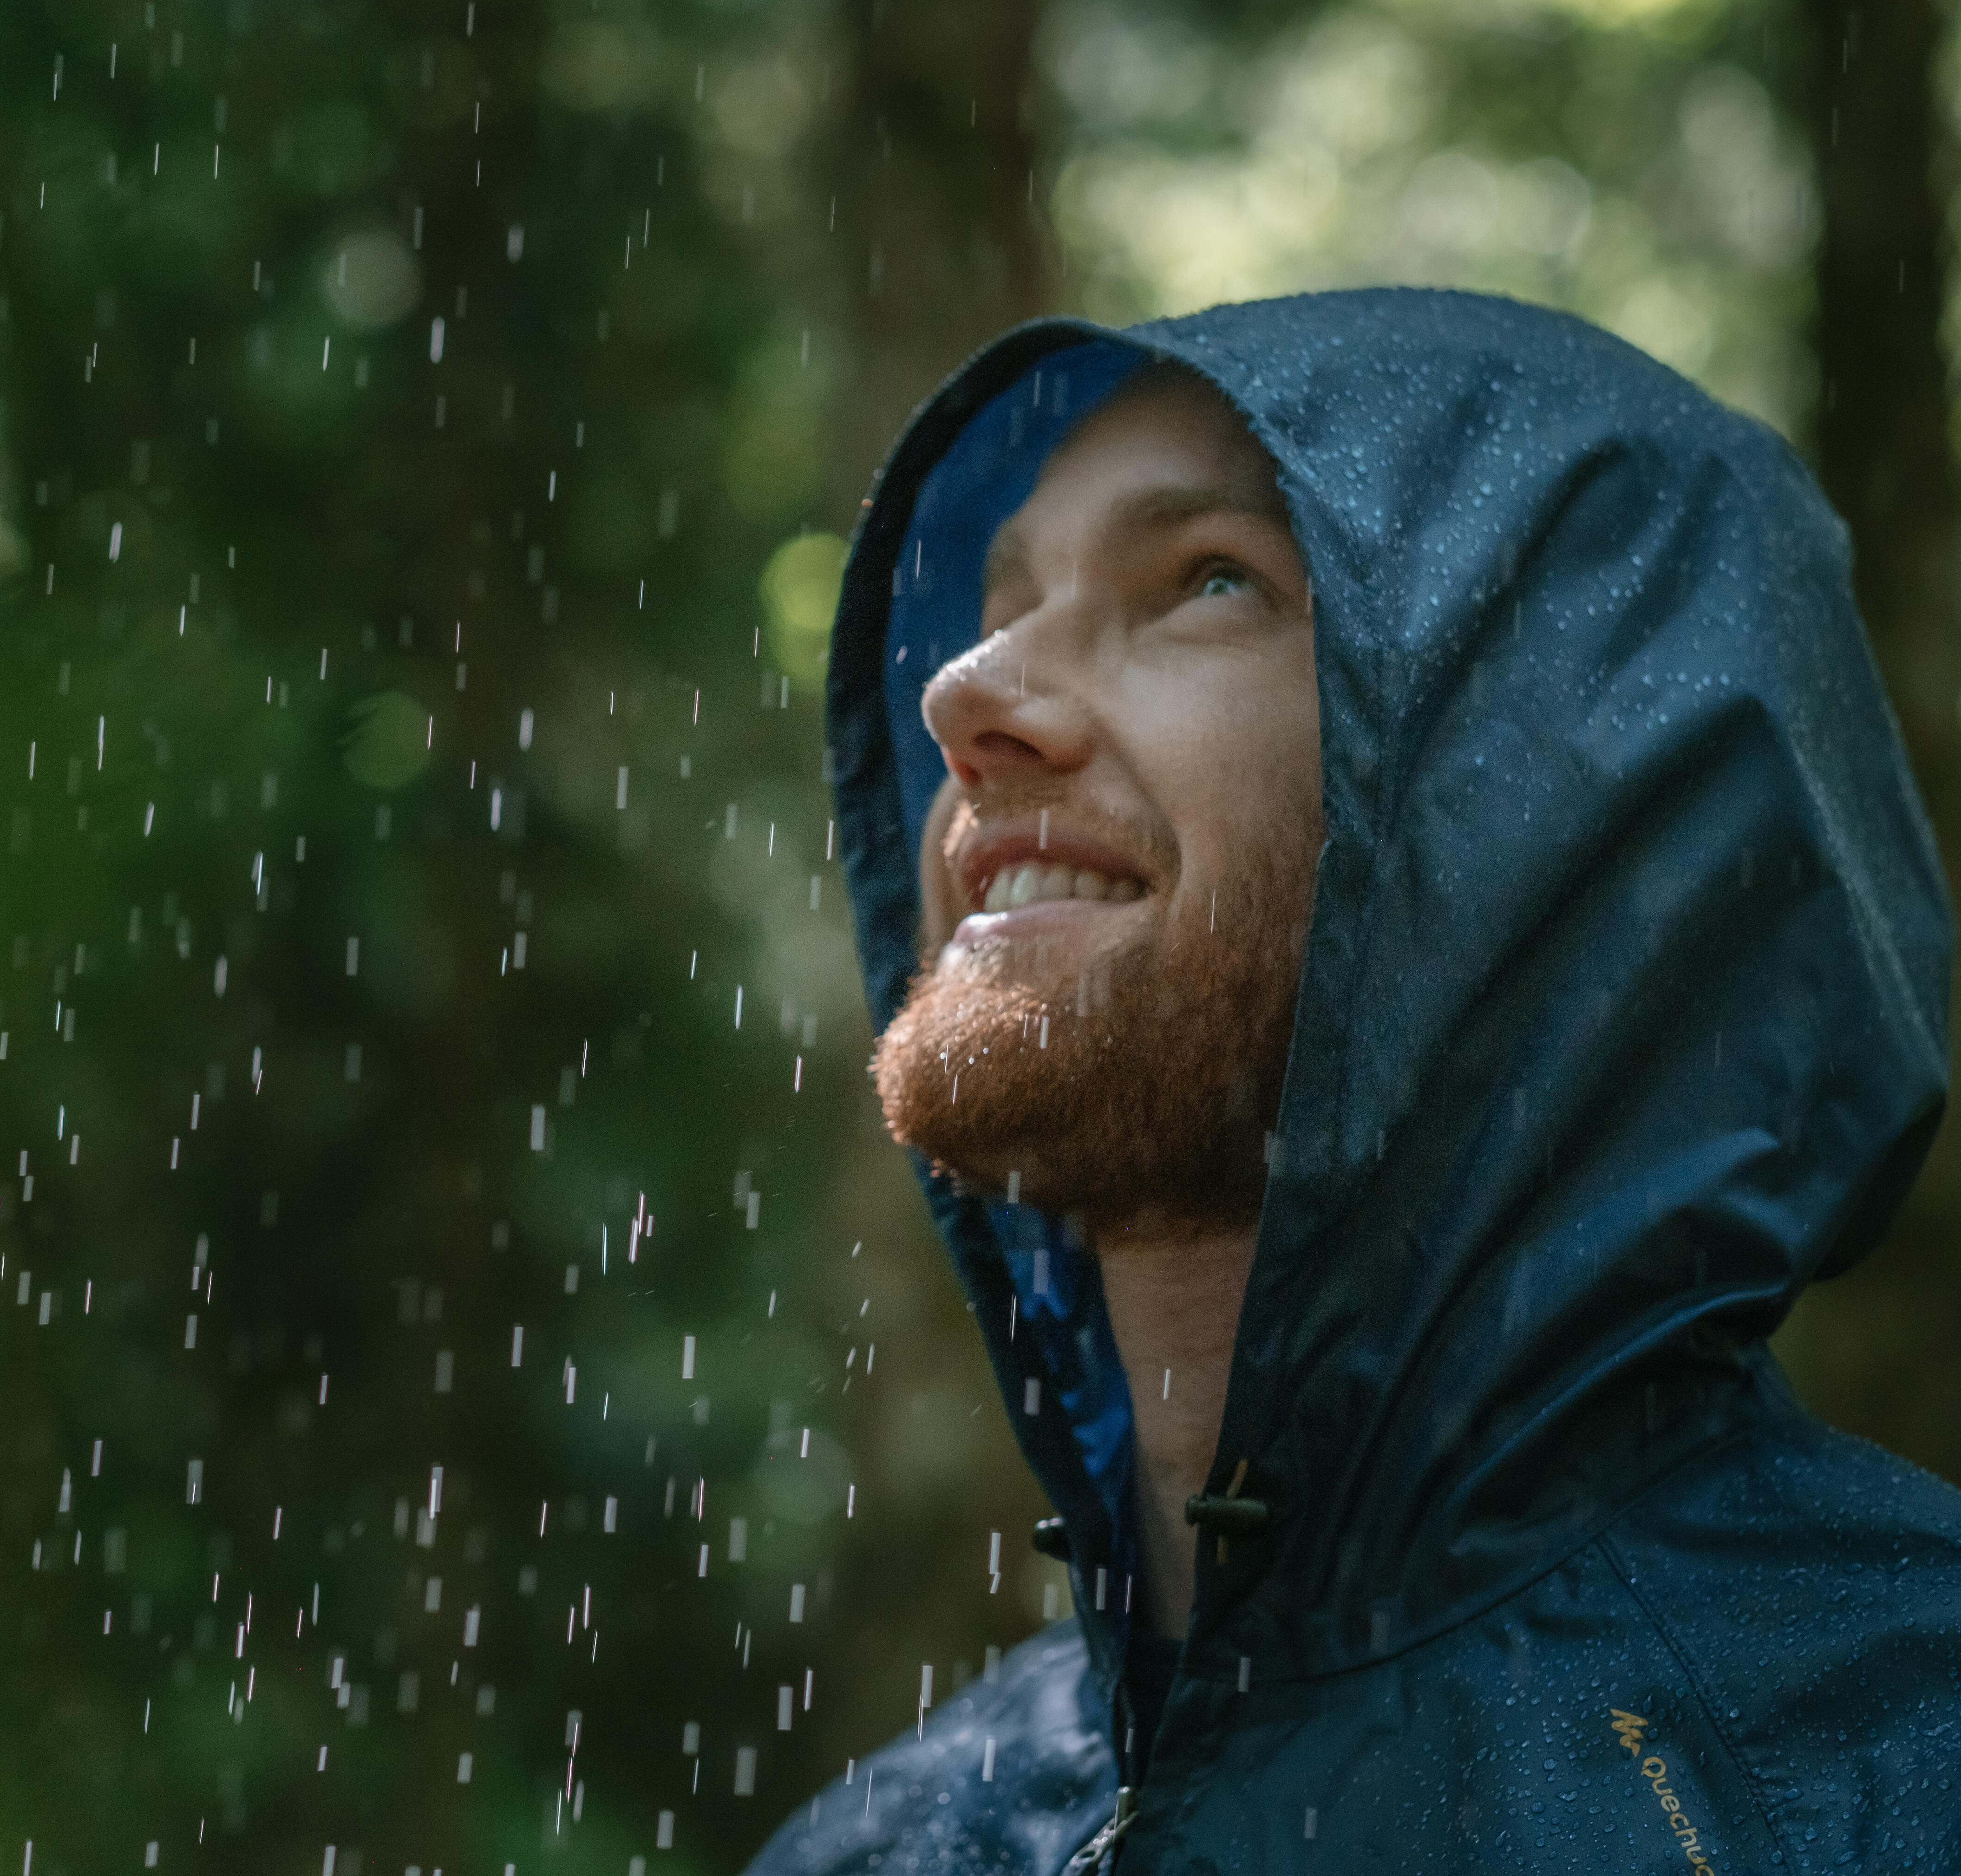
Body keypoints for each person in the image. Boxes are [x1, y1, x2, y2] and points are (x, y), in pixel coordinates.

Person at [746, 289, 1961, 1872]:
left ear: (1529, 784)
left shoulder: (1899, 1770)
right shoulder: (893, 1844)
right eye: (1001, 599)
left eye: (1203, 582)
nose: (967, 691)